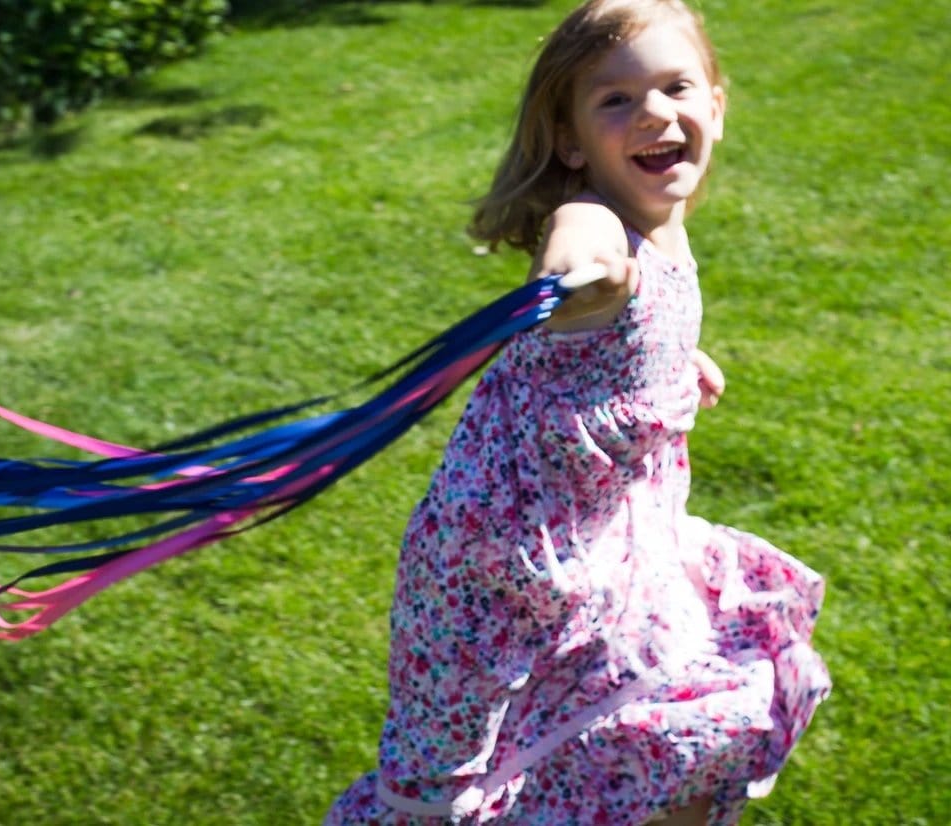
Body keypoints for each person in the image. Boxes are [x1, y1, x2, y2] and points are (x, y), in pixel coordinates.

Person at [326, 1, 830, 823]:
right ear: (570, 144)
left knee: (659, 717)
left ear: (717, 108)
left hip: (606, 546)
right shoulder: (597, 225)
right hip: (495, 565)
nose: (656, 113)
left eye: (677, 87)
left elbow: (629, 337)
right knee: (447, 785)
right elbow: (584, 248)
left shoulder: (664, 228)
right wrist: (571, 271)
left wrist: (672, 366)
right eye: (616, 101)